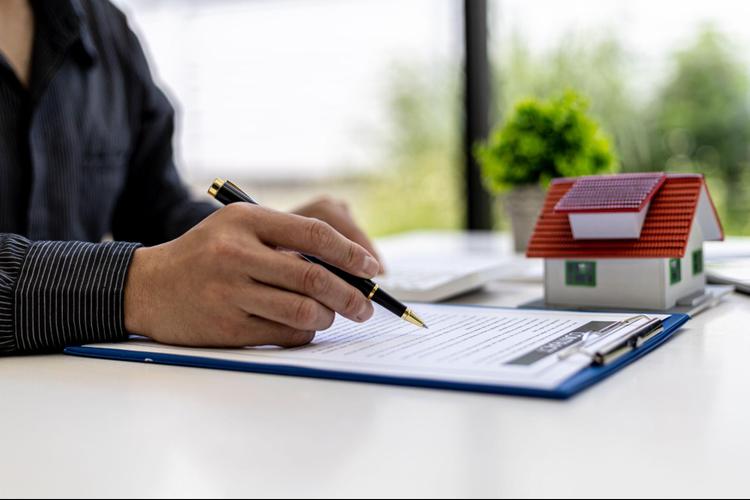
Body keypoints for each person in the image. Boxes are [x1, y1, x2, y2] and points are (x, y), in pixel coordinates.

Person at [0, 0, 383, 355]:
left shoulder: (105, 28)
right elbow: (157, 274)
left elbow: (155, 211)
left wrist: (266, 239)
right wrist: (137, 287)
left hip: (80, 399)